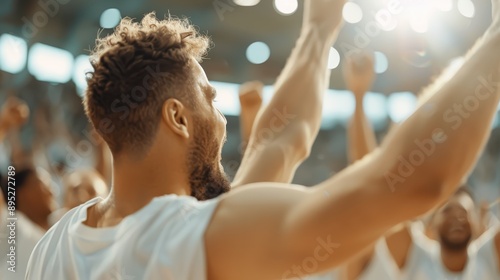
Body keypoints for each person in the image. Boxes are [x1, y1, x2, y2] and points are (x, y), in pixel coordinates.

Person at [27, 0, 500, 279]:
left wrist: (319, 31)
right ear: (177, 117)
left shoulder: (51, 248)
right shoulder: (192, 237)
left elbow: (280, 141)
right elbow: (411, 184)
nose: (225, 117)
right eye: (209, 98)